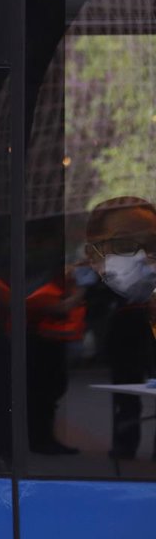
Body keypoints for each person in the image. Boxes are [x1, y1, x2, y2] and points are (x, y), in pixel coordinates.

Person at [82, 197, 156, 460]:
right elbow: (94, 307)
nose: (142, 256)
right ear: (94, 253)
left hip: (144, 333)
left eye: (151, 244)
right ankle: (124, 445)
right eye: (124, 244)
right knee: (125, 394)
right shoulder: (97, 282)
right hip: (125, 334)